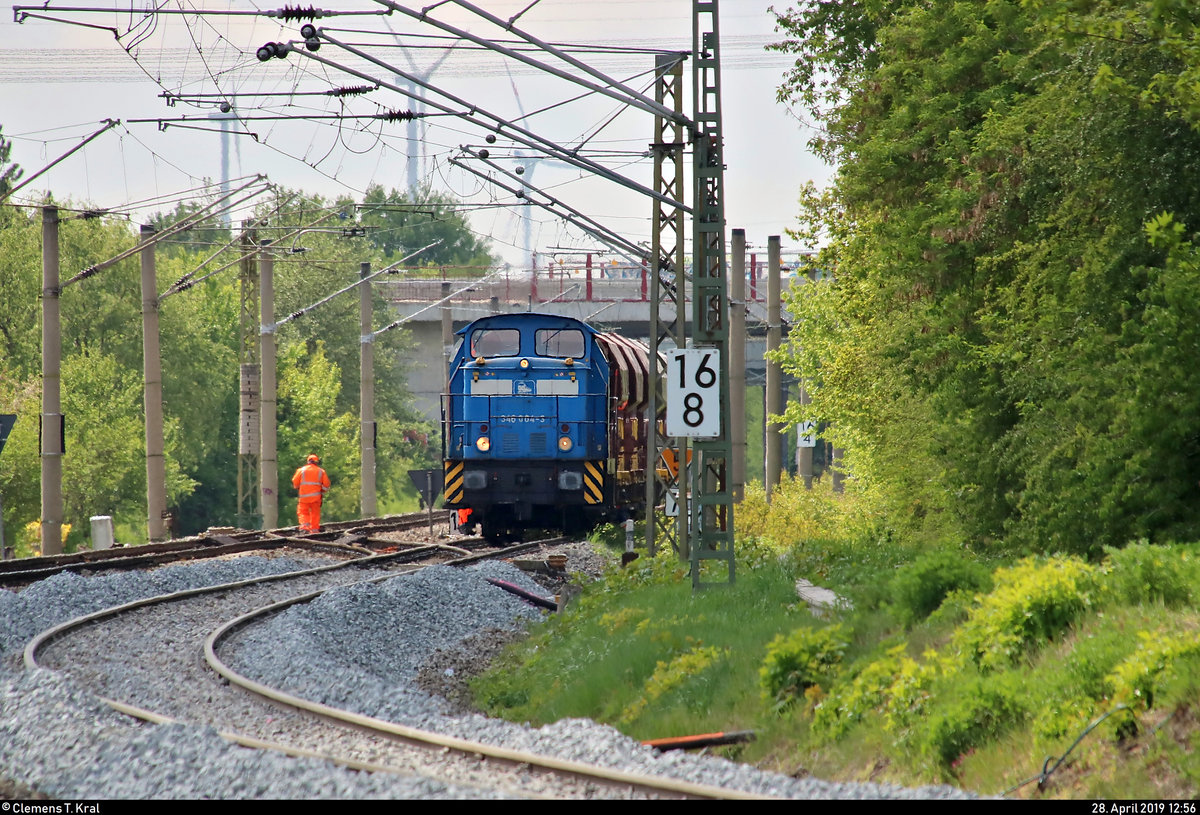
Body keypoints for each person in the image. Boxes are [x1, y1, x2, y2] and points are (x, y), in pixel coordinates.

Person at [292, 454, 330, 533]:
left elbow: (295, 483)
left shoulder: (301, 470)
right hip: (316, 498)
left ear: (308, 461)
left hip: (304, 497)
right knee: (315, 513)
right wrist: (321, 491)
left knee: (303, 512)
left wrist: (299, 487)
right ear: (316, 462)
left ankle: (305, 527)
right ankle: (314, 530)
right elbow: (326, 485)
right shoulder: (321, 471)